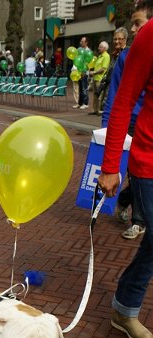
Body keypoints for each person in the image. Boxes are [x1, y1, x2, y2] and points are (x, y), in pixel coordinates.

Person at [97, 6, 153, 338]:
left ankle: (124, 306)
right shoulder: (149, 36)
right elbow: (121, 101)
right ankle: (126, 307)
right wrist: (109, 165)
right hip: (148, 156)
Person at [102, 5, 151, 239]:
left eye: (137, 23)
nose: (132, 30)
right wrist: (105, 127)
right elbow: (118, 99)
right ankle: (138, 220)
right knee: (136, 173)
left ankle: (125, 200)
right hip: (134, 125)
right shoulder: (128, 55)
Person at [98, 27, 128, 110]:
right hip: (109, 94)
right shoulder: (114, 55)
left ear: (125, 40)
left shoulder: (127, 54)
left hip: (119, 96)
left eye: (120, 39)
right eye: (115, 39)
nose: (116, 41)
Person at [89, 41, 110, 115]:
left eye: (100, 47)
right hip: (95, 78)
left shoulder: (106, 56)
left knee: (99, 95)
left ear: (104, 48)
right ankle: (94, 110)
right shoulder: (100, 56)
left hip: (100, 79)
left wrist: (94, 72)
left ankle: (99, 110)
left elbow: (103, 69)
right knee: (95, 94)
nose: (98, 48)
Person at [76, 36, 90, 109]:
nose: (81, 43)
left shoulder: (88, 51)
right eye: (80, 41)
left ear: (86, 42)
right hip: (79, 71)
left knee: (84, 87)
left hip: (84, 72)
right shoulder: (79, 50)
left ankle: (85, 103)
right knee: (80, 87)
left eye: (82, 42)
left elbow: (88, 62)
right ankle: (80, 103)